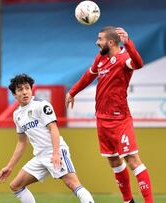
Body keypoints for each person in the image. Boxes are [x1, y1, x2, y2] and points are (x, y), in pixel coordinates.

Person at [65, 26, 153, 203]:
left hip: (120, 119)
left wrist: (129, 44)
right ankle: (128, 201)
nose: (97, 42)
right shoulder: (100, 58)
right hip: (102, 119)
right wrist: (73, 92)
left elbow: (138, 63)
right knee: (113, 161)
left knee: (132, 159)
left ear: (111, 42)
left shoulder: (124, 58)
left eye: (100, 39)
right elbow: (89, 76)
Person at [0, 74, 94, 203]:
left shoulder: (41, 105)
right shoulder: (17, 115)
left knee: (73, 184)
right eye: (20, 89)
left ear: (31, 90)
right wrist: (9, 167)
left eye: (27, 88)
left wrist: (56, 154)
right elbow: (21, 142)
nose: (25, 92)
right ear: (15, 95)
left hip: (56, 151)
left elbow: (53, 129)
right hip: (40, 156)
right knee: (16, 186)